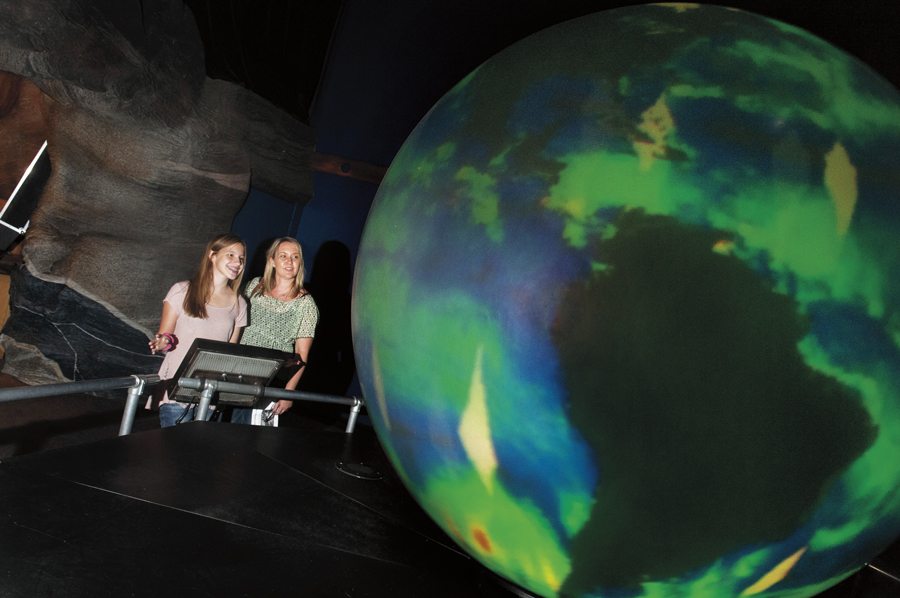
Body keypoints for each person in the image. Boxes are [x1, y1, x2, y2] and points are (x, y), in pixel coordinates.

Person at [147, 233, 248, 427]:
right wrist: (162, 342)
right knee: (174, 451)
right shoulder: (182, 290)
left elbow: (231, 351)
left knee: (197, 453)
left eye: (241, 258)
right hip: (177, 386)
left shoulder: (240, 303)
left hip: (210, 392)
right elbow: (166, 336)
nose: (238, 262)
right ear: (212, 255)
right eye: (231, 255)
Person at [231, 236, 318, 424]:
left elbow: (301, 354)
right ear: (272, 261)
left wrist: (288, 392)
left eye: (295, 257)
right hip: (239, 370)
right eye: (283, 256)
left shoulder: (306, 304)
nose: (289, 261)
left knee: (249, 433)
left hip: (272, 377)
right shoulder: (254, 285)